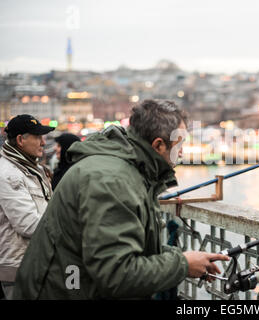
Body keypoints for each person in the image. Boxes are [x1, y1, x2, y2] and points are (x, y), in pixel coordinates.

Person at [13, 99, 229, 299]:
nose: (181, 154)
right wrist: (181, 265)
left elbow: (119, 246)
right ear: (158, 145)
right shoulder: (112, 181)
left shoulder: (125, 168)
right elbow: (116, 273)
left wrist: (183, 258)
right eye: (179, 146)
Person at [0, 114, 55, 299]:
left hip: (35, 262)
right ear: (20, 140)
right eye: (38, 137)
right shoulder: (8, 174)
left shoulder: (32, 168)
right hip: (19, 268)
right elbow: (28, 224)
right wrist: (66, 227)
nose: (43, 142)